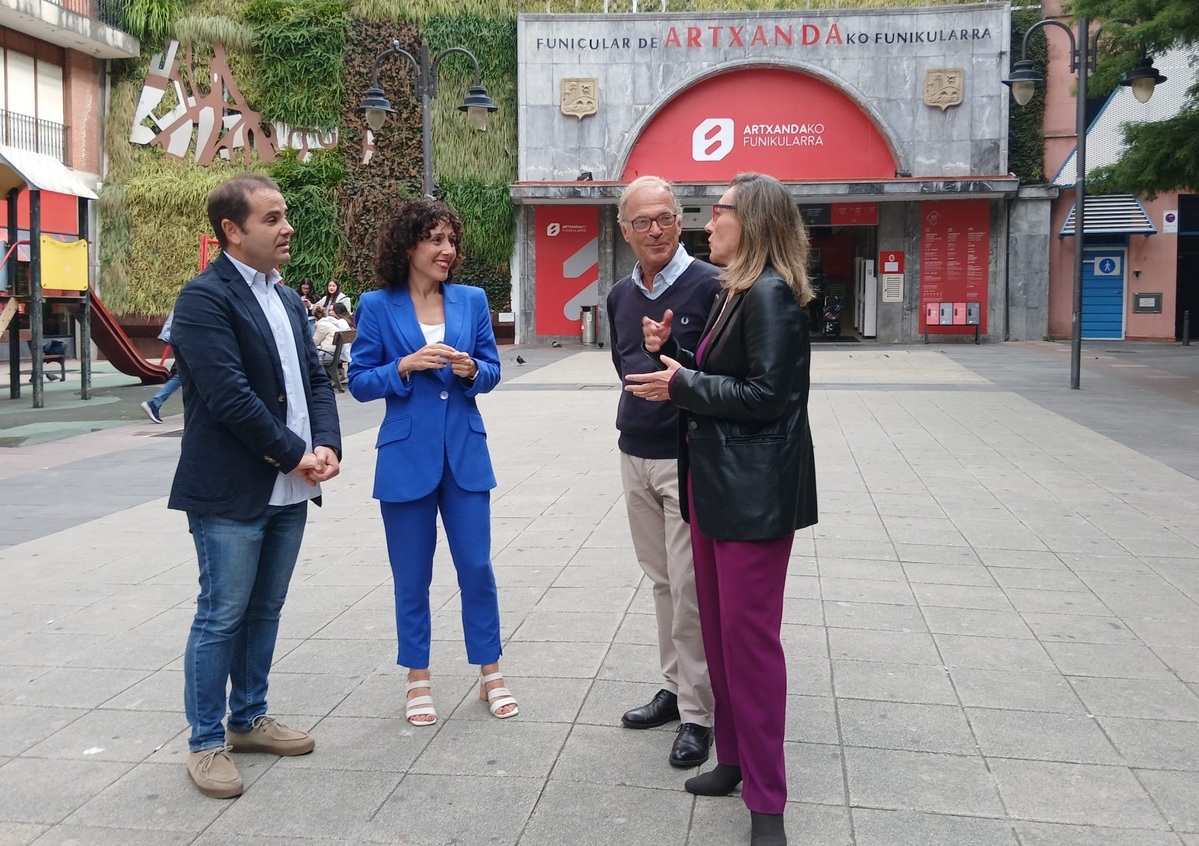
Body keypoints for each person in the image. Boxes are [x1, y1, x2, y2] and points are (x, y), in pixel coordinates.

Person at [625, 172, 818, 846]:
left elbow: (767, 395)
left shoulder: (770, 295)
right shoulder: (738, 289)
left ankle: (768, 803)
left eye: (721, 211)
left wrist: (683, 382)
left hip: (752, 497)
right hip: (714, 486)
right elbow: (722, 379)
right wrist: (670, 357)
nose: (709, 222)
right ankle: (732, 761)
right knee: (718, 634)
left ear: (753, 219)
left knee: (750, 647)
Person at [168, 173, 342, 799]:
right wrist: (297, 453)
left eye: (285, 214)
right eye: (272, 219)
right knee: (221, 615)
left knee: (264, 610)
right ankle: (206, 742)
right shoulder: (203, 300)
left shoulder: (289, 299)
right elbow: (230, 398)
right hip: (231, 490)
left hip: (291, 487)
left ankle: (248, 718)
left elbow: (317, 383)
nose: (287, 226)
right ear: (232, 232)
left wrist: (327, 446)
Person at [347, 198, 516, 726]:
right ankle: (417, 676)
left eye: (451, 241)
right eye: (436, 240)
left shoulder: (470, 300)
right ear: (409, 246)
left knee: (477, 568)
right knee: (411, 575)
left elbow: (492, 371)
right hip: (404, 458)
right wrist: (404, 364)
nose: (448, 251)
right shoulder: (377, 305)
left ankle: (491, 672)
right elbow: (358, 381)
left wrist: (470, 370)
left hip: (465, 454)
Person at [607, 175, 720, 768]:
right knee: (660, 581)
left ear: (682, 222)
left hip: (689, 455)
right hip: (635, 452)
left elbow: (724, 374)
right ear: (625, 231)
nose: (655, 229)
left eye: (665, 218)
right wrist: (651, 356)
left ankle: (700, 713)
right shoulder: (620, 296)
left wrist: (673, 352)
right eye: (642, 221)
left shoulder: (713, 286)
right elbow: (624, 365)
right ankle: (676, 690)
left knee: (692, 588)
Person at [141, 310, 181, 424]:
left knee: (184, 374)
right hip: (184, 337)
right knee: (182, 374)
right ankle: (154, 403)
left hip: (179, 336)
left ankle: (155, 403)